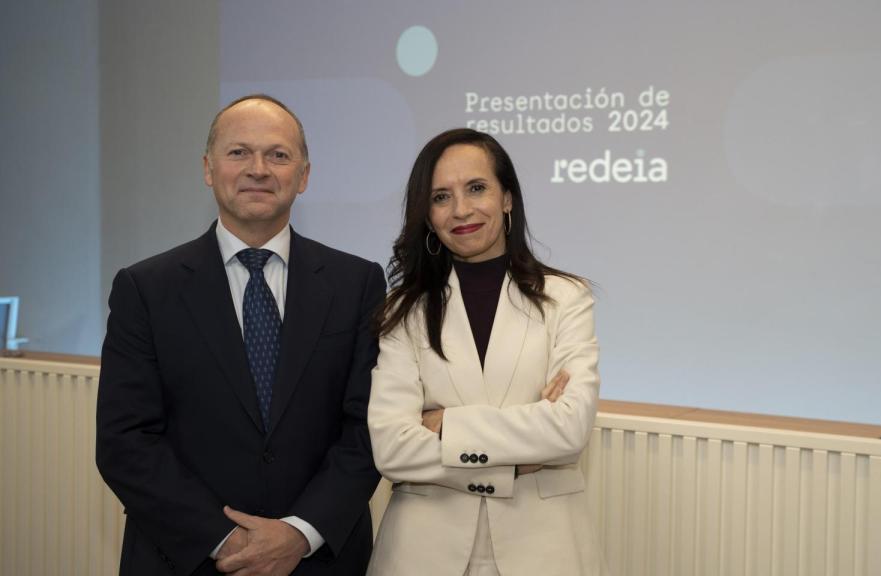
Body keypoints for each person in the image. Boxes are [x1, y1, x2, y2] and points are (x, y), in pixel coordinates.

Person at [96, 94, 385, 575]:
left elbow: (368, 428)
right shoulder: (144, 288)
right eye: (239, 152)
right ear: (208, 169)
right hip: (186, 558)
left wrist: (298, 534)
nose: (258, 169)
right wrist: (225, 540)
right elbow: (125, 440)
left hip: (317, 559)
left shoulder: (357, 283)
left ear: (304, 175)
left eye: (278, 154)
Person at [367, 128, 607, 575]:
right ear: (427, 216)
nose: (461, 209)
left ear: (507, 198)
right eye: (441, 197)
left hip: (544, 549)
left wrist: (446, 424)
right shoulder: (403, 310)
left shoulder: (566, 298)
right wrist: (519, 458)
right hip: (424, 552)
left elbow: (570, 429)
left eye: (476, 188)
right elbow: (392, 448)